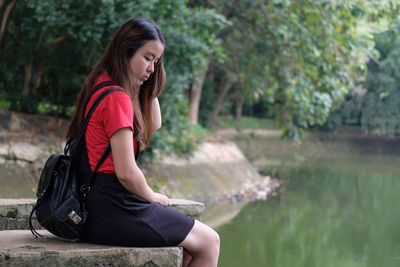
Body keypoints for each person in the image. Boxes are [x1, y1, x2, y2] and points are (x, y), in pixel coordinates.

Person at [66, 17, 219, 266]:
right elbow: (126, 172)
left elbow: (154, 123)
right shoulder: (117, 98)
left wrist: (146, 84)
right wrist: (151, 196)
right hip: (115, 208)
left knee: (190, 250)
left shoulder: (101, 83)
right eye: (147, 58)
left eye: (157, 62)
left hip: (96, 205)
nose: (152, 68)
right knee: (210, 241)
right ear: (126, 50)